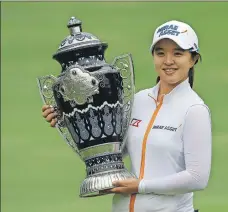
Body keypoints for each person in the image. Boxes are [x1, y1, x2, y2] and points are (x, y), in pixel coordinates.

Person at [42, 20, 212, 212]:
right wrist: (71, 118)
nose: (168, 61)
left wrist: (140, 186)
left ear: (193, 59)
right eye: (160, 52)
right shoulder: (139, 100)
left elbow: (197, 178)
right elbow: (114, 149)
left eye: (178, 53)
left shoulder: (194, 109)